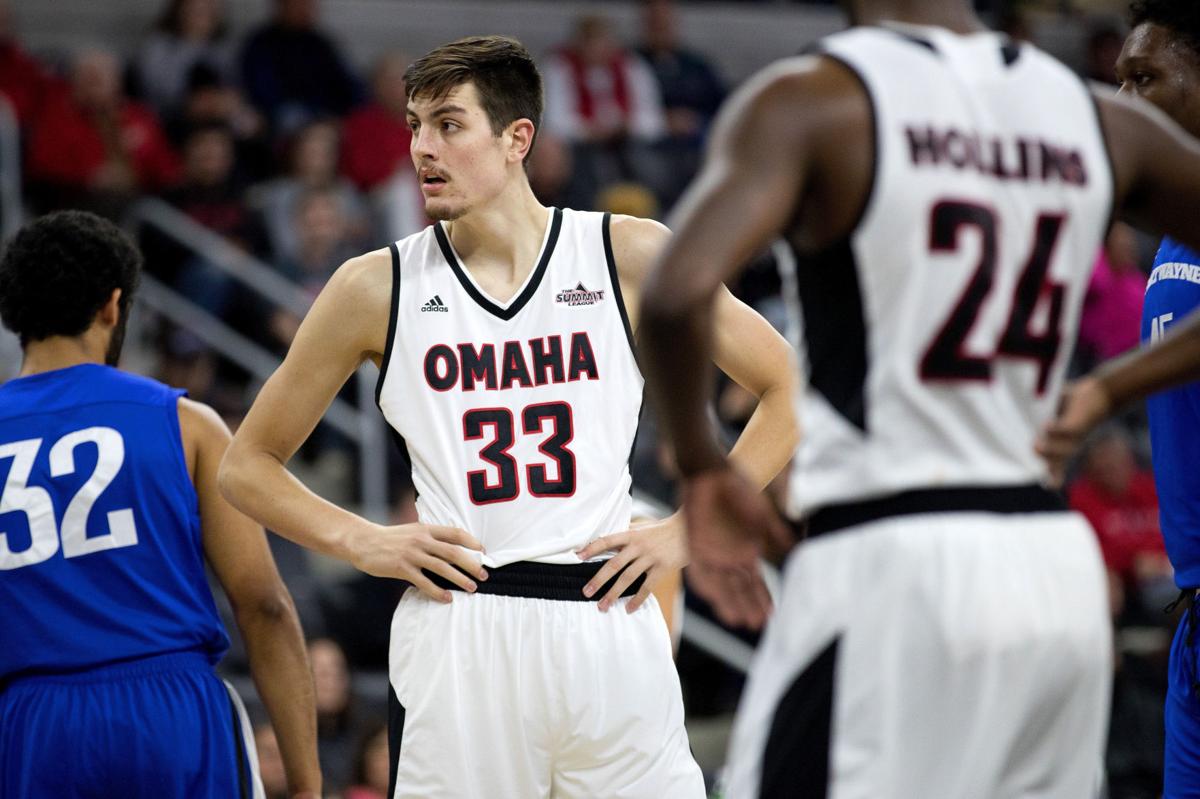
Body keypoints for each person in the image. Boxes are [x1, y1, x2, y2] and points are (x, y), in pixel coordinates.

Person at [638, 0, 1200, 796]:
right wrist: (1106, 386)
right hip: (1052, 570)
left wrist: (700, 466)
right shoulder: (1091, 115)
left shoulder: (817, 98)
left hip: (890, 555)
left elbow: (673, 293)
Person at [219, 35, 798, 799]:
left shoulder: (625, 253)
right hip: (463, 624)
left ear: (517, 137)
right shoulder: (374, 286)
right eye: (415, 125)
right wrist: (362, 539)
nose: (423, 147)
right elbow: (245, 464)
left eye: (449, 124)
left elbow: (789, 387)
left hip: (606, 617)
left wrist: (687, 529)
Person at [0, 211, 321, 798]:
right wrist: (304, 783)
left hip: (30, 720)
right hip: (169, 713)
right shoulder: (187, 424)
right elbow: (265, 607)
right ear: (113, 306)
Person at [1041, 3, 1200, 795]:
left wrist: (1103, 388)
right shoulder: (1170, 231)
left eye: (1147, 79)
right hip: (1190, 613)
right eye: (1118, 82)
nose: (1124, 102)